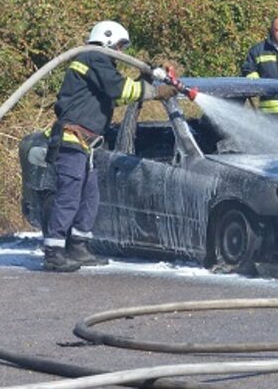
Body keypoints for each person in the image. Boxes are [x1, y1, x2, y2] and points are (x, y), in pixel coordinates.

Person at [41, 21, 178, 272]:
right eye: (119, 45)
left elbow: (117, 94)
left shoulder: (98, 64)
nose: (121, 51)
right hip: (72, 140)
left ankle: (78, 246)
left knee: (90, 196)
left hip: (86, 144)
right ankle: (53, 251)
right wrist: (157, 91)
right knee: (69, 196)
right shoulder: (94, 57)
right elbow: (119, 88)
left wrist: (145, 79)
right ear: (106, 39)